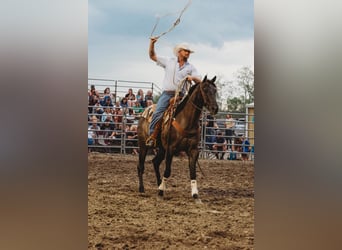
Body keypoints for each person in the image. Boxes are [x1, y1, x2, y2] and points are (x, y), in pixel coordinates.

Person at [145, 37, 202, 147]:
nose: (187, 53)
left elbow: (200, 80)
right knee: (158, 112)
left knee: (190, 114)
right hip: (167, 94)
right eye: (186, 51)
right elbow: (152, 56)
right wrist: (152, 44)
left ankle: (188, 140)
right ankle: (152, 135)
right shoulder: (169, 61)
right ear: (179, 52)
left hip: (181, 95)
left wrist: (192, 78)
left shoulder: (190, 67)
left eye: (188, 52)